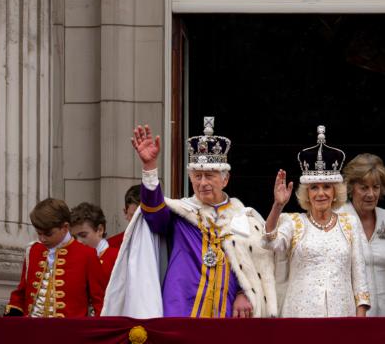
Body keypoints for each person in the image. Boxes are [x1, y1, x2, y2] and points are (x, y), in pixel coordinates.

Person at [103, 118, 277, 318]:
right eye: (197, 175)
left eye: (209, 175)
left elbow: (255, 264)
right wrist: (149, 167)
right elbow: (154, 216)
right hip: (181, 310)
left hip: (228, 311)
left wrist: (245, 292)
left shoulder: (244, 218)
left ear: (225, 179)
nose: (203, 182)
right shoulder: (181, 214)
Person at [263, 125, 370, 317]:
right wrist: (278, 206)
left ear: (335, 192)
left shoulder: (349, 223)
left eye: (327, 187)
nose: (321, 193)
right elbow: (270, 242)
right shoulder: (294, 222)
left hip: (341, 314)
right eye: (314, 188)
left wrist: (360, 316)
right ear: (307, 193)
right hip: (300, 314)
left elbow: (360, 275)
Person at [5, 198, 106, 317]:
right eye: (39, 233)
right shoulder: (33, 251)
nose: (42, 239)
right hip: (32, 331)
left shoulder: (87, 255)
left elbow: (98, 301)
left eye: (48, 234)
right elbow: (22, 292)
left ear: (65, 227)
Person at [338, 153, 385, 317]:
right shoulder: (338, 218)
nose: (371, 194)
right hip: (351, 317)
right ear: (351, 188)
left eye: (376, 187)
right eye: (364, 187)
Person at [70, 202, 119, 281]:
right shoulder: (75, 258)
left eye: (83, 235)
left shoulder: (117, 257)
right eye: (74, 237)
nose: (78, 241)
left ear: (100, 230)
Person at [107, 185, 140, 252]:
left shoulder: (162, 244)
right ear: (125, 213)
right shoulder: (111, 246)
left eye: (143, 217)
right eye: (134, 216)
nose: (139, 222)